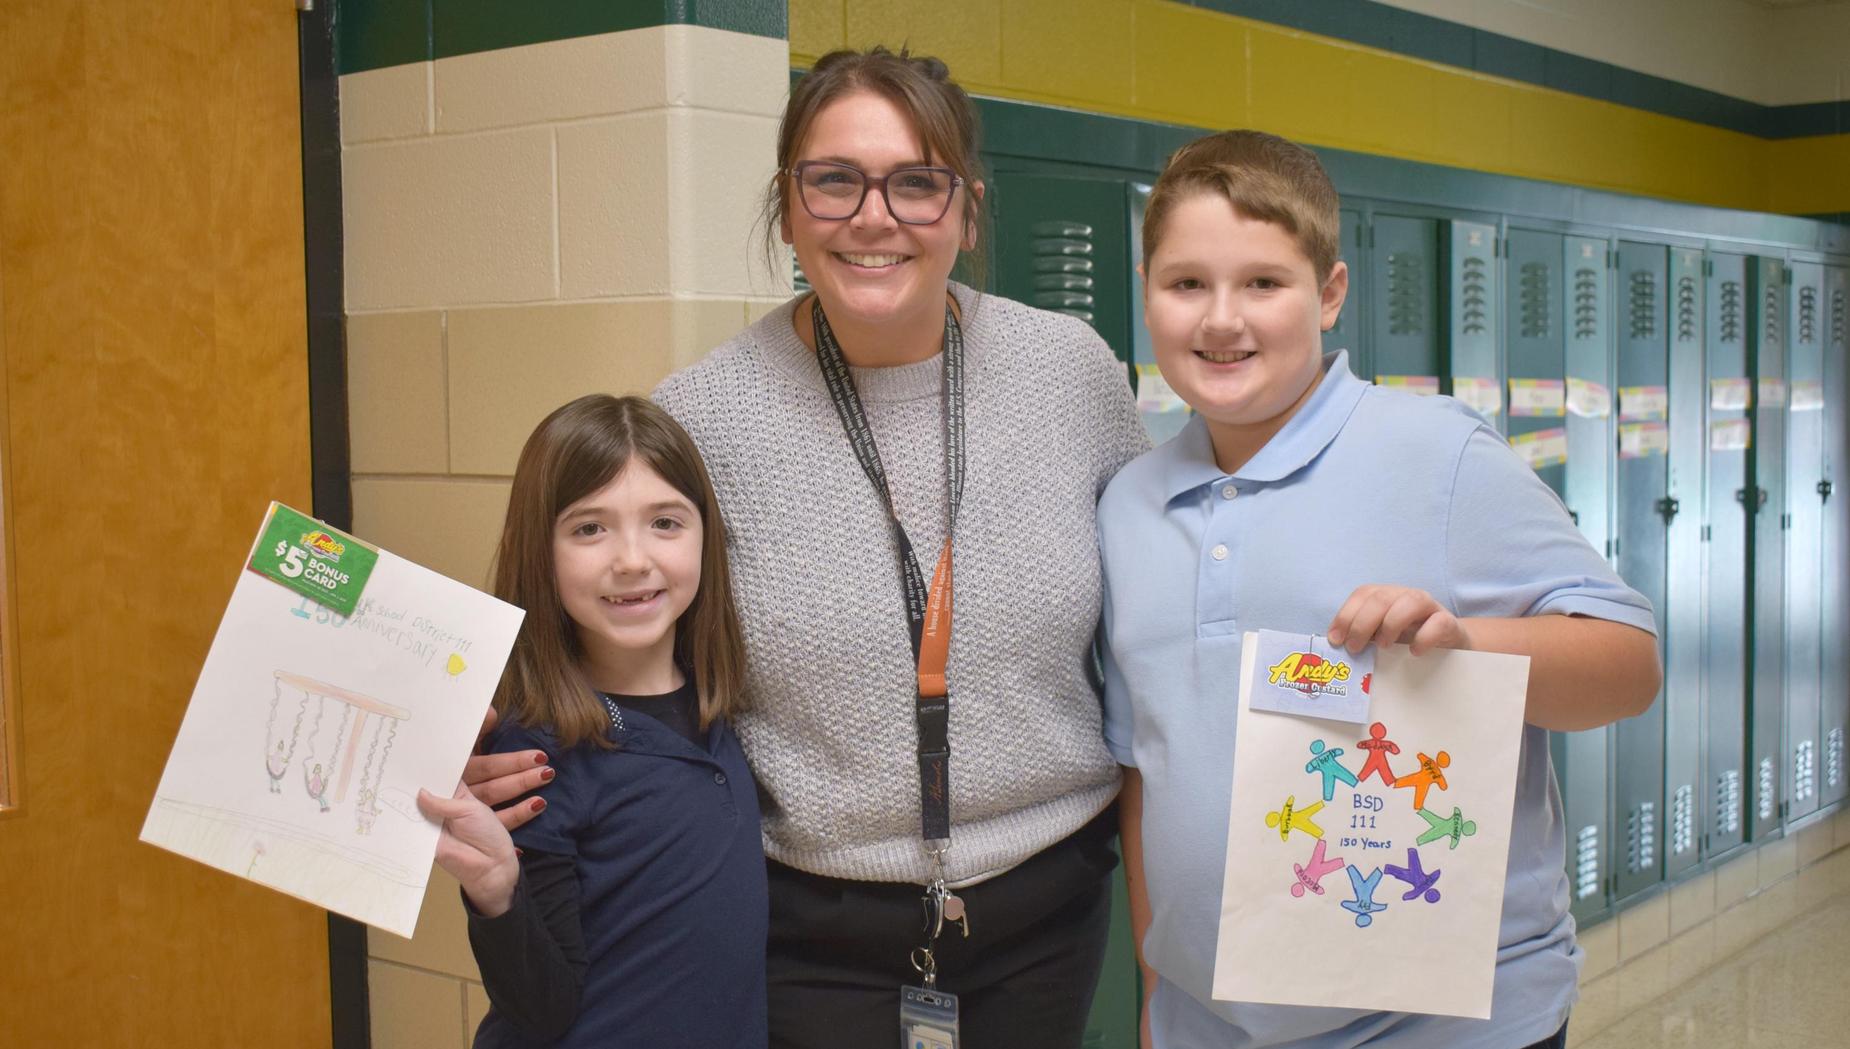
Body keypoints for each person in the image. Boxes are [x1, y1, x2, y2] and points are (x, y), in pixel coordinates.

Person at [471, 45, 1149, 1048]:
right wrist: (518, 741)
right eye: (832, 181)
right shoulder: (705, 412)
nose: (872, 216)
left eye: (915, 183)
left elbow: (1170, 584)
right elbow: (625, 620)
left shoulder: (1070, 372)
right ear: (787, 210)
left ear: (964, 212)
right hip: (811, 940)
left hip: (1045, 916)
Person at [1098, 131, 1661, 1049]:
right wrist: (1158, 994)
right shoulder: (1129, 504)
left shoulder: (1437, 453)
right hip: (1209, 1026)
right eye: (1187, 283)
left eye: (1264, 284)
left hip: (1443, 1024)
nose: (1222, 319)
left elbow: (1630, 667)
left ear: (1329, 293)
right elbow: (1144, 771)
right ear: (1146, 289)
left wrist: (1468, 644)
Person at [418, 394, 764, 1049]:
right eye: (589, 528)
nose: (632, 558)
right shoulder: (534, 753)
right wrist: (496, 890)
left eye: (665, 522)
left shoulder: (722, 709)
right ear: (540, 552)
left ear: (706, 535)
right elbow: (541, 1006)